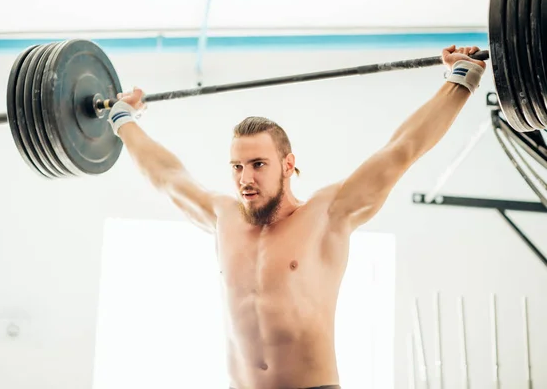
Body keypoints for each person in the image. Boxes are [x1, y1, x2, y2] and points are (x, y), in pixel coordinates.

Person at [107, 45, 486, 389]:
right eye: (237, 166)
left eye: (258, 164)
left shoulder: (327, 214)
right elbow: (168, 177)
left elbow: (401, 149)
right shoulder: (224, 217)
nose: (245, 178)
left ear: (288, 164)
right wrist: (124, 119)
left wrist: (460, 79)